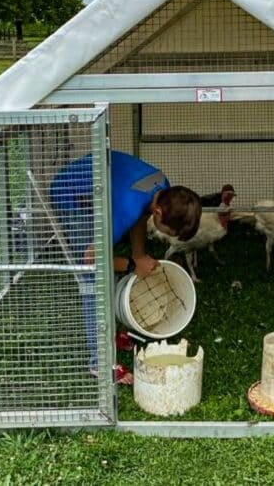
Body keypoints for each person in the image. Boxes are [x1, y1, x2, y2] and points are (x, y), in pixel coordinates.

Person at [50, 150, 202, 382]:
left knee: (106, 259)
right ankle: (99, 363)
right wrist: (132, 264)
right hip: (71, 195)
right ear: (159, 212)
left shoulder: (163, 188)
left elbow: (141, 218)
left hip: (98, 187)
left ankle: (108, 334)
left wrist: (139, 255)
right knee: (93, 280)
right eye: (169, 233)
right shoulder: (127, 208)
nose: (167, 237)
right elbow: (90, 259)